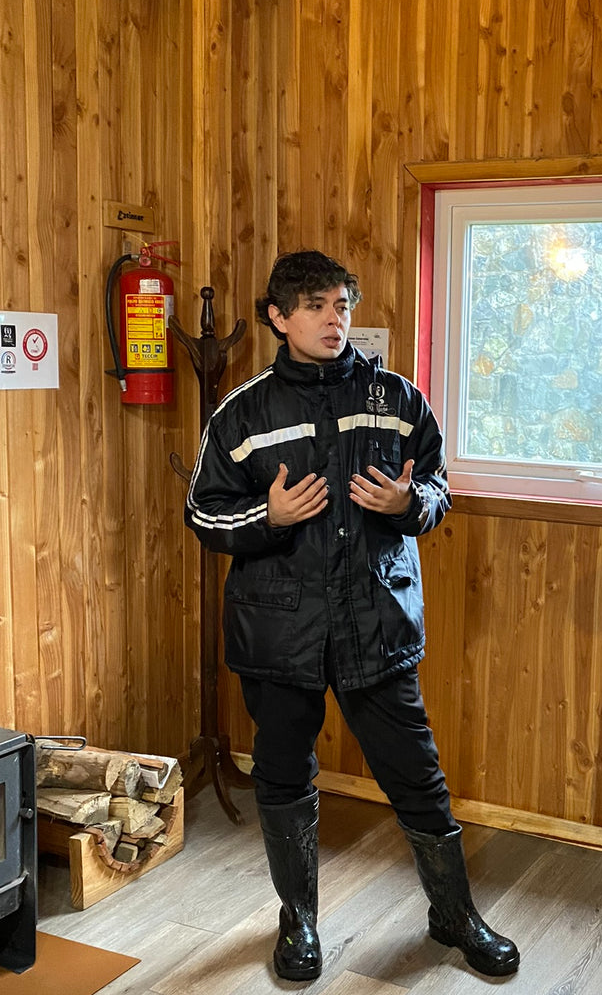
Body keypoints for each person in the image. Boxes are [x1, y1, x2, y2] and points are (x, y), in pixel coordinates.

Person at [184, 250, 518, 982]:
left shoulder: (397, 399)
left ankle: (455, 914)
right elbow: (203, 513)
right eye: (315, 307)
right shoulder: (241, 411)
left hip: (376, 626)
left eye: (341, 306)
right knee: (282, 775)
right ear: (278, 317)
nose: (334, 320)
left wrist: (410, 505)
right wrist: (266, 517)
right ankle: (298, 919)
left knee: (418, 777)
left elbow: (436, 484)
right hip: (279, 632)